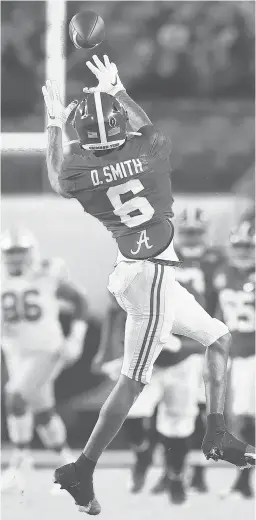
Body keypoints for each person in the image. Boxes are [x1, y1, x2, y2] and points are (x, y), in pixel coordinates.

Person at [42, 55, 255, 515]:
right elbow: (145, 125)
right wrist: (117, 88)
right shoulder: (150, 150)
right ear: (122, 127)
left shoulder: (78, 170)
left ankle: (215, 431)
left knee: (219, 337)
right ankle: (82, 468)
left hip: (138, 270)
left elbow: (57, 178)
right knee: (133, 382)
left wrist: (54, 127)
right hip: (151, 275)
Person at [1, 227, 88, 492]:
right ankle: (73, 469)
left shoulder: (47, 272)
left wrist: (76, 337)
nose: (16, 258)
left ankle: (18, 464)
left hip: (47, 349)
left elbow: (79, 300)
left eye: (21, 252)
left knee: (15, 395)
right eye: (11, 252)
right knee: (42, 413)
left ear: (31, 252)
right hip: (16, 352)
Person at [213, 219, 255, 499]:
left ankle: (243, 482)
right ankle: (243, 482)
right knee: (240, 418)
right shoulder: (223, 274)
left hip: (253, 355)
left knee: (244, 417)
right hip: (238, 356)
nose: (242, 251)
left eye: (247, 246)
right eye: (238, 245)